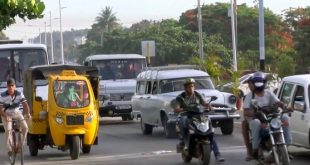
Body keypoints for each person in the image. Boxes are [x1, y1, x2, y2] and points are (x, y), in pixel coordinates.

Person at [173, 78, 225, 162]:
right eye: (189, 87)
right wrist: (183, 109)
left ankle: (217, 154)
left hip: (198, 116)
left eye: (192, 86)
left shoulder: (197, 94)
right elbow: (176, 108)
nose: (191, 88)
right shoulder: (180, 97)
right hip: (187, 115)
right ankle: (184, 141)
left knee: (209, 130)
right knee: (183, 121)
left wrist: (209, 106)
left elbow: (204, 103)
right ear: (185, 88)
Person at [243, 71, 292, 160]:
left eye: (260, 81)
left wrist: (285, 106)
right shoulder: (250, 96)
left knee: (285, 117)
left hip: (270, 118)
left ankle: (286, 145)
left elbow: (278, 102)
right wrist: (255, 112)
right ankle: (255, 149)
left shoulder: (269, 93)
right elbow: (245, 112)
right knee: (255, 122)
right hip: (258, 119)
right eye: (257, 82)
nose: (259, 84)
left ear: (264, 82)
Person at [0, 78, 31, 156]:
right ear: (7, 87)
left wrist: (27, 114)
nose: (10, 87)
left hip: (16, 113)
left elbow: (25, 105)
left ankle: (20, 146)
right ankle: (9, 149)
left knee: (25, 128)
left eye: (12, 86)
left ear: (15, 86)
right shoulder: (2, 95)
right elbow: (0, 109)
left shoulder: (19, 94)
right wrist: (5, 116)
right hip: (6, 114)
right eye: (9, 86)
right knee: (8, 130)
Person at [241, 75, 255, 161]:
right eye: (249, 84)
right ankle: (249, 151)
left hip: (268, 117)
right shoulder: (248, 96)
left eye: (251, 84)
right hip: (254, 118)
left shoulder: (267, 93)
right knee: (244, 124)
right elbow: (245, 112)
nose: (250, 86)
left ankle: (284, 148)